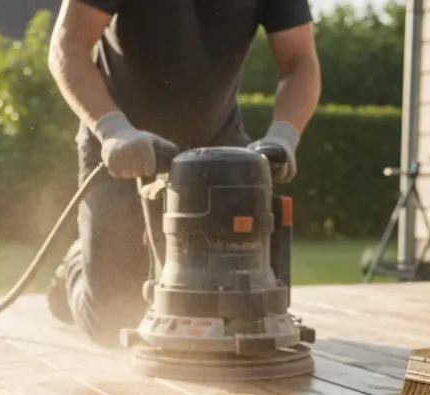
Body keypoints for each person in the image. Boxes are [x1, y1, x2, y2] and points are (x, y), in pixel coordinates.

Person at [45, 0, 321, 347]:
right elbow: (68, 45)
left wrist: (285, 136)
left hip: (217, 144)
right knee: (112, 320)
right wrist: (114, 130)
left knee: (237, 310)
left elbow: (300, 62)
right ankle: (76, 263)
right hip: (121, 140)